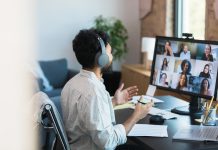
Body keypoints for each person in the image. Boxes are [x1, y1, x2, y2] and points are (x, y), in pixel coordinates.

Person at [61, 29, 153, 150]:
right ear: (101, 58)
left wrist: (114, 101)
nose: (112, 56)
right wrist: (136, 116)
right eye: (110, 53)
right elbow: (108, 142)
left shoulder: (71, 84)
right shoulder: (93, 91)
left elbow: (87, 114)